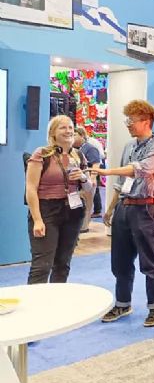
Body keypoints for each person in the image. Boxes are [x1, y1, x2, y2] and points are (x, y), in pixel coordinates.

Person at [91, 100, 154, 328]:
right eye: (127, 120)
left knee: (150, 262)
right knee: (120, 261)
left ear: (146, 121)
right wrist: (111, 208)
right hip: (125, 207)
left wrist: (106, 171)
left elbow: (139, 170)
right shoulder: (129, 146)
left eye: (131, 120)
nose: (128, 124)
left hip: (147, 209)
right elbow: (123, 181)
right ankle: (122, 304)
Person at [25, 115, 92, 284]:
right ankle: (34, 300)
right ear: (53, 133)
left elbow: (89, 188)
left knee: (63, 264)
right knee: (42, 266)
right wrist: (37, 220)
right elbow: (31, 189)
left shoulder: (79, 156)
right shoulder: (42, 154)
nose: (68, 131)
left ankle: (57, 298)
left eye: (71, 127)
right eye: (63, 127)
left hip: (73, 212)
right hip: (47, 211)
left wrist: (83, 178)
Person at [73, 127, 100, 233]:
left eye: (75, 134)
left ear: (82, 135)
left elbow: (96, 164)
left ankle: (84, 227)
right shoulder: (75, 149)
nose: (73, 137)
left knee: (87, 204)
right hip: (79, 181)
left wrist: (92, 179)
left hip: (87, 179)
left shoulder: (90, 148)